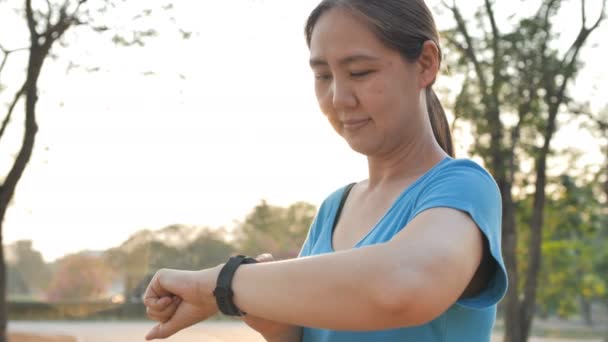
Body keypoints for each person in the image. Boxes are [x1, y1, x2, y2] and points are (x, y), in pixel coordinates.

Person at [142, 0, 508, 341]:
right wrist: (255, 302)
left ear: (426, 64)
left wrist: (222, 283)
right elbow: (309, 334)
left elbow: (402, 286)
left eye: (359, 72)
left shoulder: (463, 187)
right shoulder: (334, 207)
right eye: (324, 76)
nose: (338, 98)